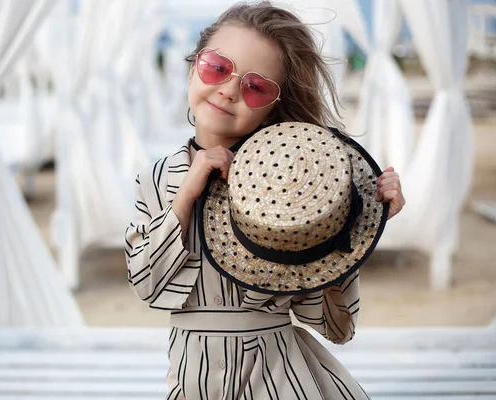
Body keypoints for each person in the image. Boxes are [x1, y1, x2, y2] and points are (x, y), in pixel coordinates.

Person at [125, 2, 406, 399]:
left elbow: (335, 327)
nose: (228, 89)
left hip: (280, 377)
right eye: (217, 67)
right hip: (191, 377)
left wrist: (356, 229)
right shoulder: (156, 181)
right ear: (193, 67)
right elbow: (146, 284)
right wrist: (186, 194)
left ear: (275, 106)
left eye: (256, 87)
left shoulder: (292, 189)